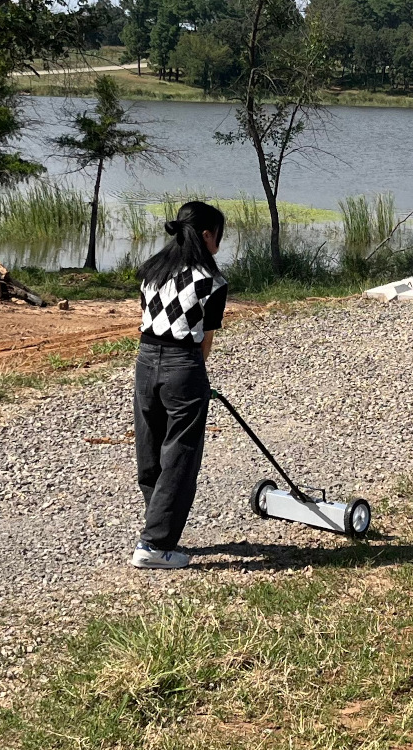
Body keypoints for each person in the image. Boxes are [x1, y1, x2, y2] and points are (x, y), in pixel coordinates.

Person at [131, 201, 228, 569]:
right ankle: (155, 545)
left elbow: (145, 319)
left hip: (144, 360)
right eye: (219, 234)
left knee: (151, 448)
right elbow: (205, 341)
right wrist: (194, 378)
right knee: (181, 455)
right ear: (206, 235)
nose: (219, 241)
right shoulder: (212, 280)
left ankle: (154, 531)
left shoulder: (150, 270)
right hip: (183, 363)